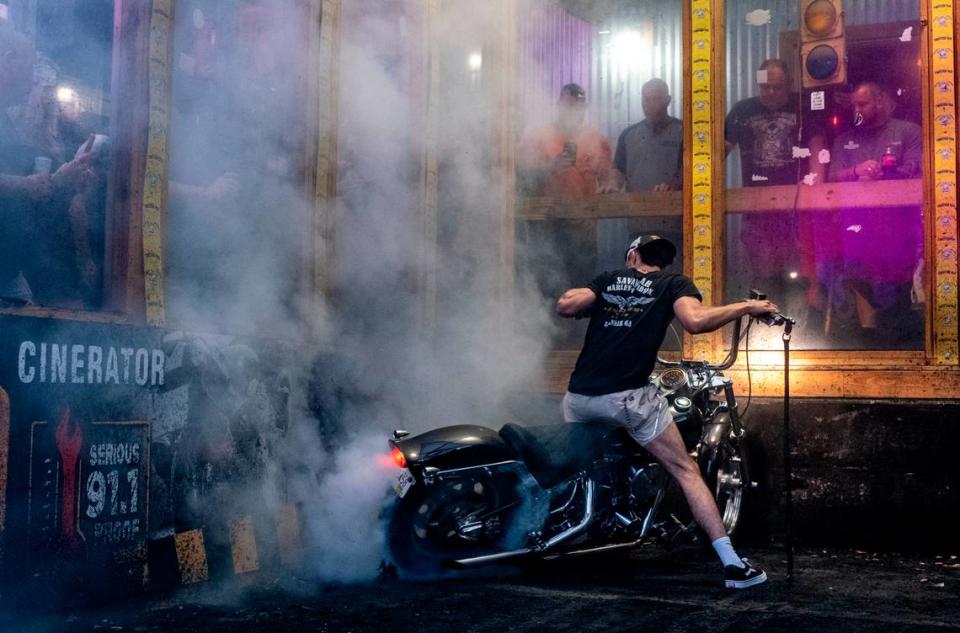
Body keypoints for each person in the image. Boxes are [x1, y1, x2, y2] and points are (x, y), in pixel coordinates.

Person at [556, 234, 778, 589]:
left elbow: (567, 306)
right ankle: (733, 565)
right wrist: (747, 307)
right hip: (625, 398)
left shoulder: (610, 278)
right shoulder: (671, 283)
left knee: (576, 463)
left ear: (632, 255)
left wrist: (596, 298)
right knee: (686, 470)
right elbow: (696, 321)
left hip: (579, 397)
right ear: (663, 260)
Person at [0, 21, 96, 305]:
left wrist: (62, 179)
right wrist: (23, 184)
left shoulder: (5, 119)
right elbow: (20, 185)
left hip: (8, 271)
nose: (32, 81)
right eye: (30, 69)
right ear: (8, 59)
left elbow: (27, 190)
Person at [724, 59, 825, 308]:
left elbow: (817, 146)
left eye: (777, 87)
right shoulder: (742, 111)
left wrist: (816, 187)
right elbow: (719, 150)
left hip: (796, 207)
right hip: (757, 209)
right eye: (765, 87)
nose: (770, 92)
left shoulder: (803, 107)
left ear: (788, 85)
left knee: (802, 272)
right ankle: (764, 332)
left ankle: (805, 331)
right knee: (765, 275)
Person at [517, 83, 614, 196]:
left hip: (587, 210)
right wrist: (550, 168)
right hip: (548, 210)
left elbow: (607, 179)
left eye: (578, 107)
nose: (573, 113)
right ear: (559, 106)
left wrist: (608, 187)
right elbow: (522, 179)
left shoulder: (598, 142)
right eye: (569, 107)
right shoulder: (538, 138)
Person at [828, 81, 921, 182]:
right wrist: (855, 171)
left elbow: (917, 170)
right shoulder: (843, 141)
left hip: (898, 196)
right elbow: (832, 178)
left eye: (862, 104)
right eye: (853, 106)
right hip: (855, 197)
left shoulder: (909, 131)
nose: (857, 111)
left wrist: (882, 174)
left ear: (879, 102)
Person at [611, 78, 682, 192]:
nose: (651, 105)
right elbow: (619, 170)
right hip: (634, 207)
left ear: (668, 100)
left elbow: (690, 169)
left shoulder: (683, 132)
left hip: (672, 205)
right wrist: (612, 185)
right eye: (646, 100)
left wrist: (672, 185)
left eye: (656, 99)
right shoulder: (628, 135)